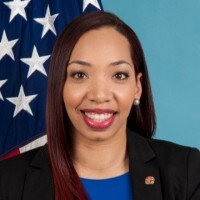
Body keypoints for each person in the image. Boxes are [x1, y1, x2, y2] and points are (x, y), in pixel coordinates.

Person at [0, 11, 200, 200]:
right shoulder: (8, 181)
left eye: (119, 75)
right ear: (59, 85)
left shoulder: (187, 171)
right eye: (80, 75)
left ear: (137, 87)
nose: (99, 95)